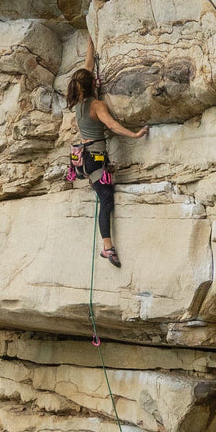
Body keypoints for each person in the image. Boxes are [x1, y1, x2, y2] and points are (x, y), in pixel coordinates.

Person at [65, 37, 148, 268]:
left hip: (84, 158)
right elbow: (111, 126)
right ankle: (107, 248)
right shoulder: (97, 106)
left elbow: (87, 66)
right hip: (95, 159)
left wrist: (91, 41)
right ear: (93, 84)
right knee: (107, 201)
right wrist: (134, 135)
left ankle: (107, 246)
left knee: (104, 198)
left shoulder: (79, 101)